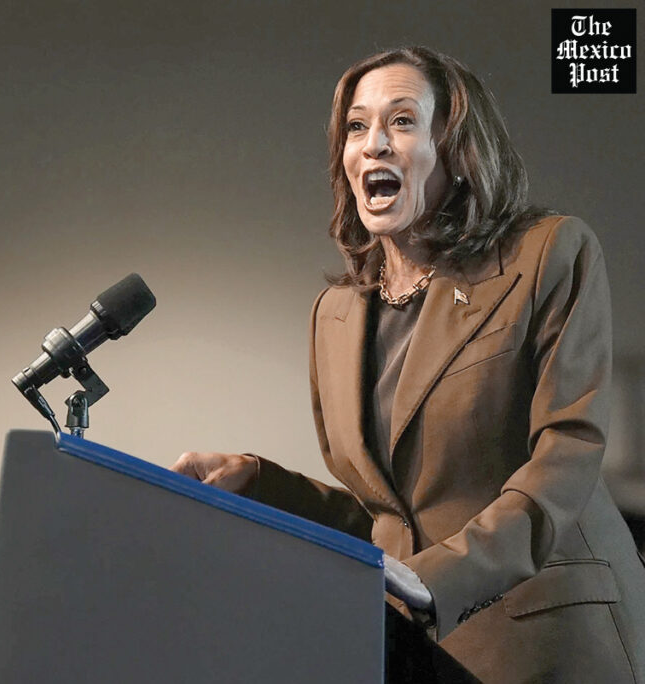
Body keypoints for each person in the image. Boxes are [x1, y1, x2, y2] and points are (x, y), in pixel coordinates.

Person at [172, 46, 645, 682]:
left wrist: (437, 579)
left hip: (550, 636)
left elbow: (568, 455)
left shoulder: (548, 255)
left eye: (401, 121)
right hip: (412, 651)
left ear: (456, 148)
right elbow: (393, 521)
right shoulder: (336, 314)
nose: (373, 144)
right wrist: (260, 483)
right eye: (356, 126)